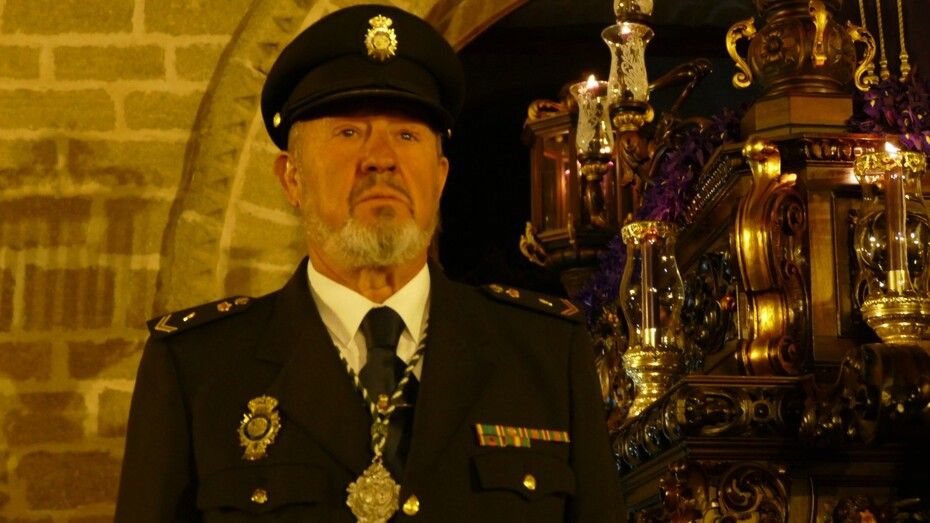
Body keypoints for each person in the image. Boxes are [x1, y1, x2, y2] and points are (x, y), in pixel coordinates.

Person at [115, 4, 621, 522]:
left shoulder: (545, 355)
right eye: (349, 133)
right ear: (292, 178)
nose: (381, 158)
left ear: (440, 177)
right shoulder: (198, 370)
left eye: (407, 135)